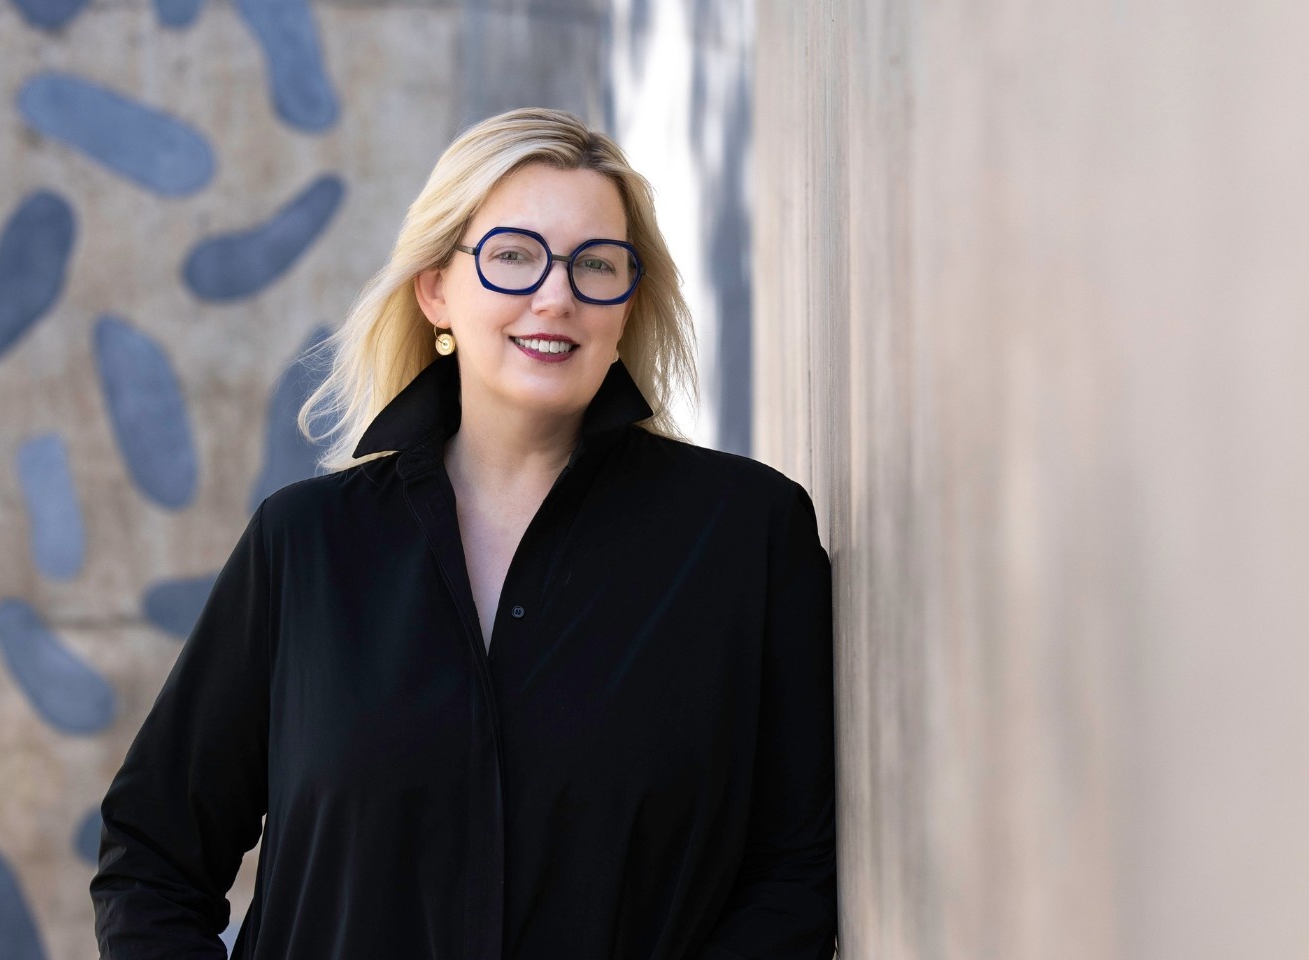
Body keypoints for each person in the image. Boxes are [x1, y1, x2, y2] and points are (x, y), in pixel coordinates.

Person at [91, 107, 837, 959]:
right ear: (436, 290)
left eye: (596, 263)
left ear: (628, 304)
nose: (556, 295)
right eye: (513, 255)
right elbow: (151, 858)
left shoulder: (745, 537)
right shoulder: (304, 546)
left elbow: (795, 873)